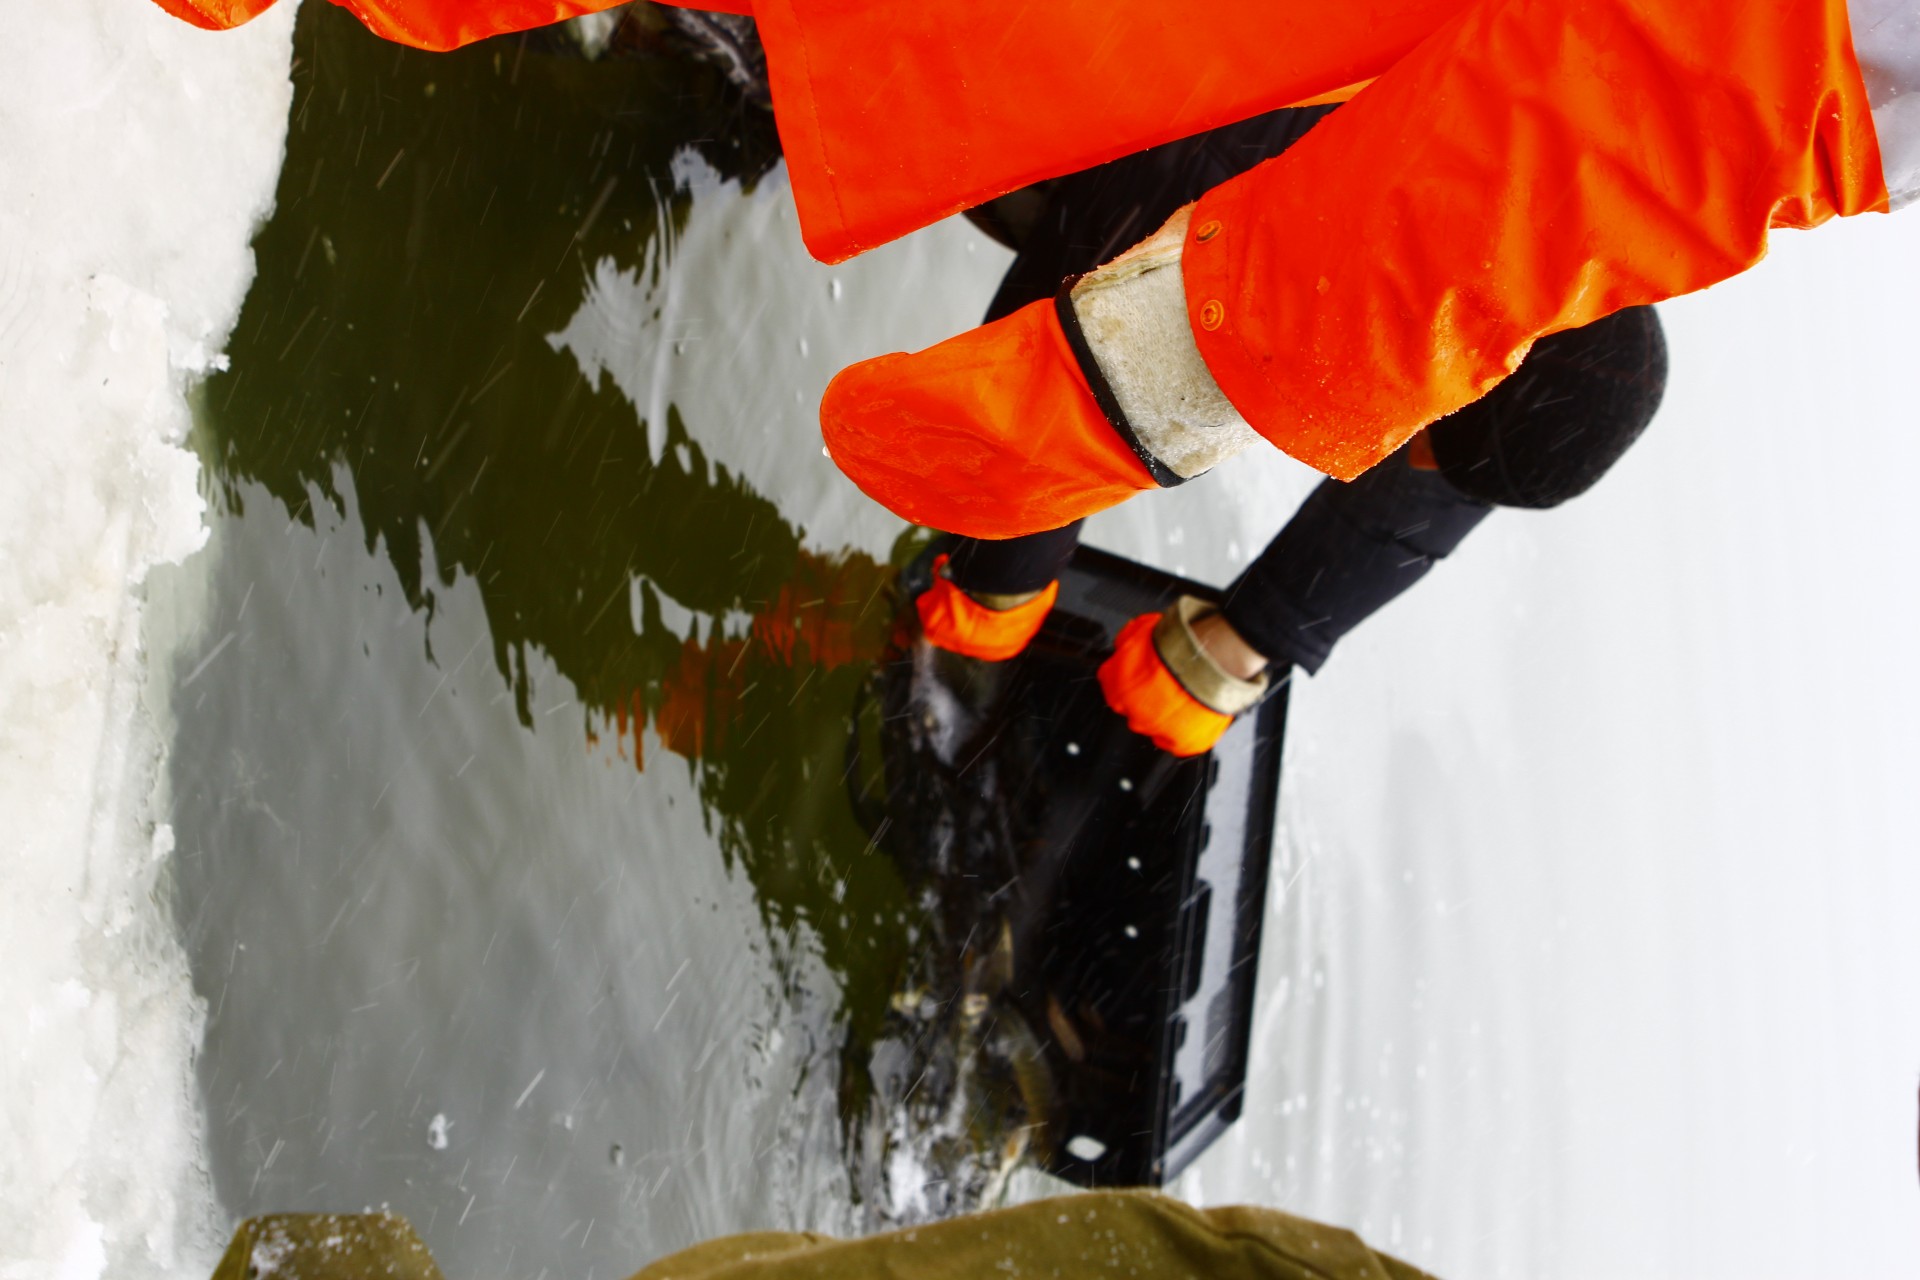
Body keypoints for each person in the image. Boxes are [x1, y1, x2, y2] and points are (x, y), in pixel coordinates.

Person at [913, 107, 1668, 754]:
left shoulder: (1551, 280)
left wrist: (1246, 644)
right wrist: (997, 589)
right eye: (1426, 437)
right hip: (1131, 98)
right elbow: (1075, 365)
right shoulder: (1274, 186)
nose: (1406, 459)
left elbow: (1454, 476)